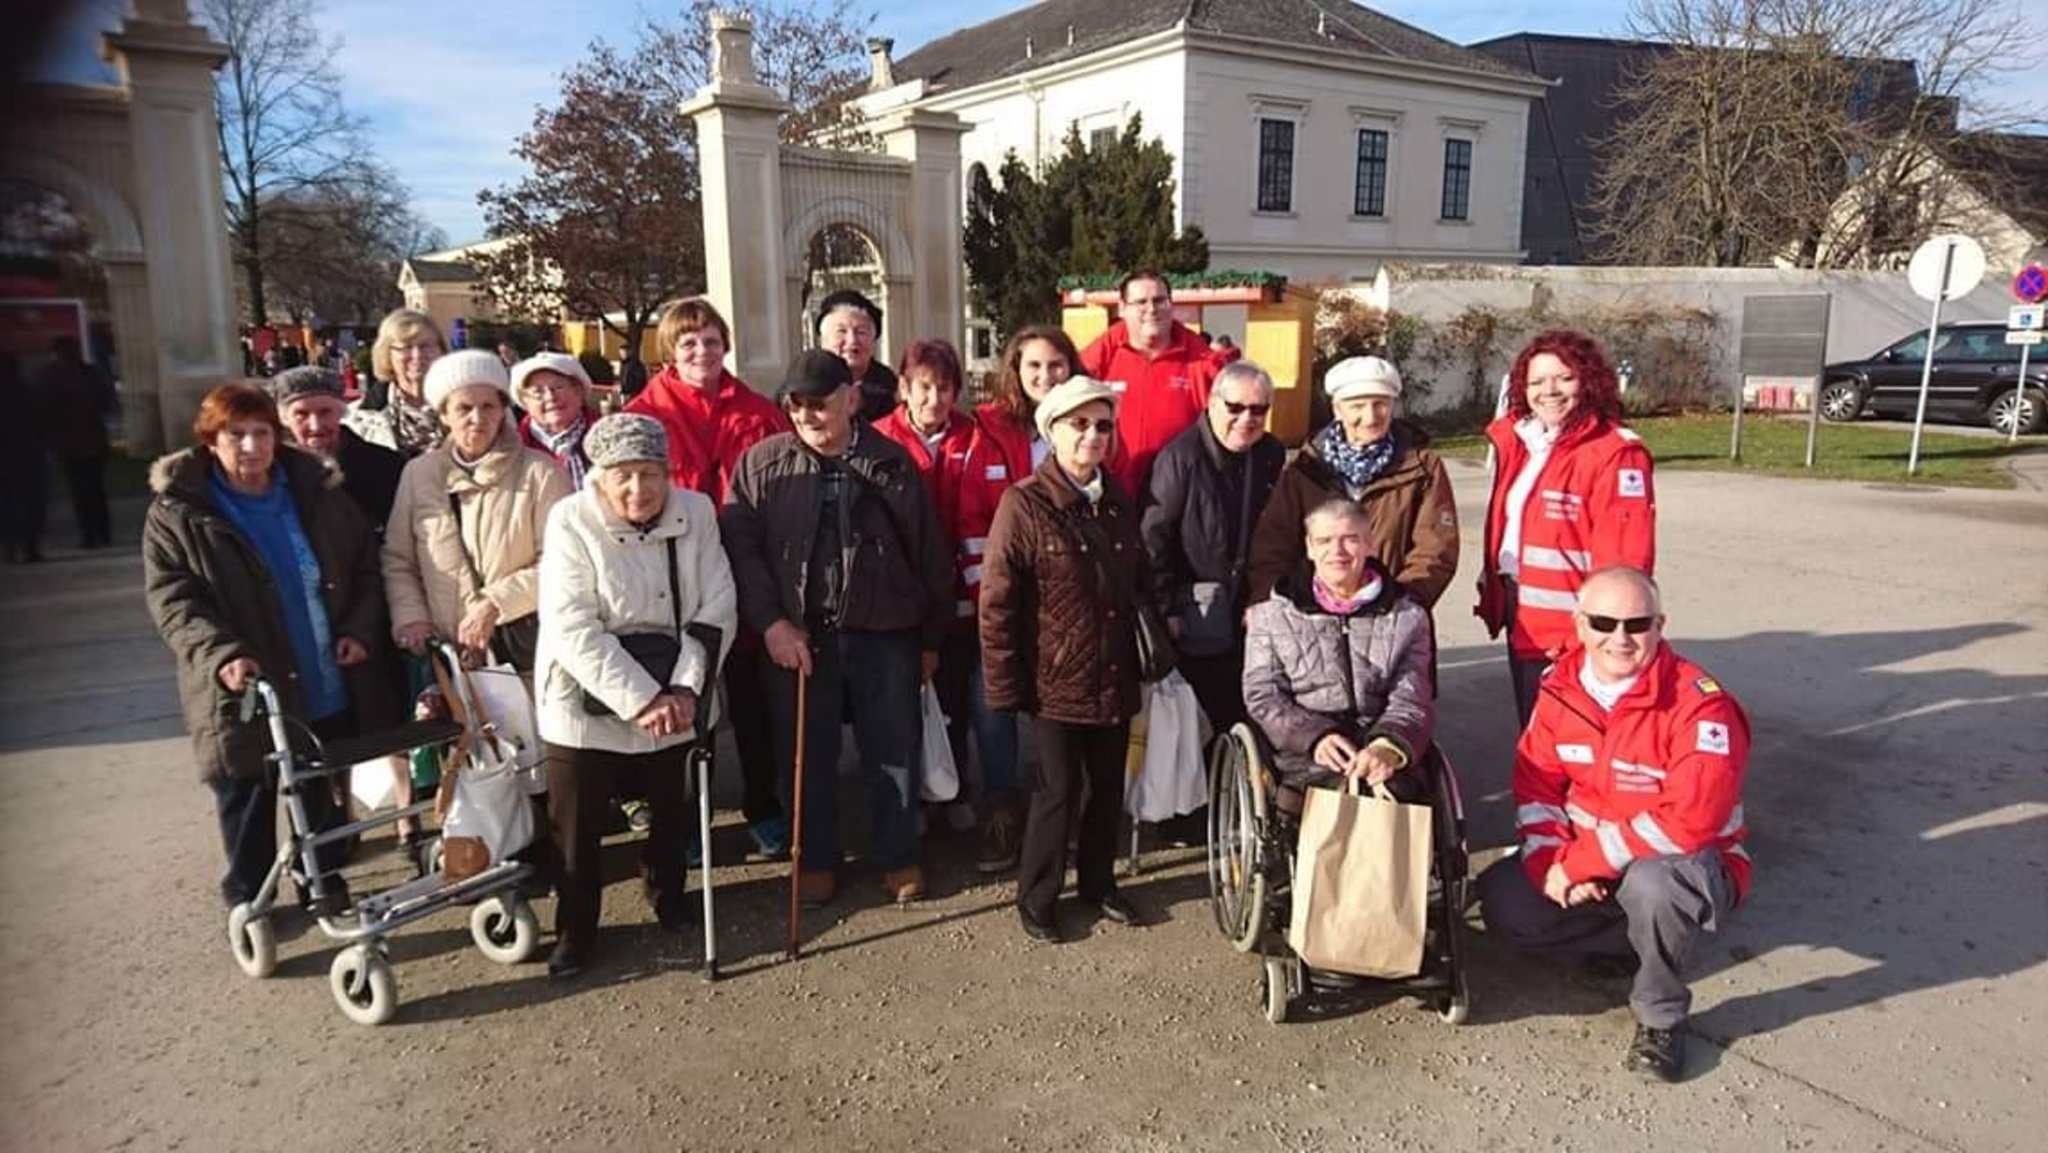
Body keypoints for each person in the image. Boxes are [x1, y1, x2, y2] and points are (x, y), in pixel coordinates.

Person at [1478, 567, 1750, 1083]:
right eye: (1603, 622)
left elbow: (1693, 821)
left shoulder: (1699, 703)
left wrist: (1583, 861)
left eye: (1637, 623)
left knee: (1653, 887)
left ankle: (1661, 1015)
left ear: (1660, 624)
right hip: (1595, 858)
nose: (1620, 638)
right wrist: (1548, 865)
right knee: (1504, 904)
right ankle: (1630, 939)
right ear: (1579, 625)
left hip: (1682, 864)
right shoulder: (1559, 690)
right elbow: (1537, 790)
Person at [142, 384, 397, 916]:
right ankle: (249, 900)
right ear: (211, 441)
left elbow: (365, 567)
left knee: (319, 790)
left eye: (262, 433)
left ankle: (322, 884)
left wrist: (357, 628)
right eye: (236, 435)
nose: (251, 446)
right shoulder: (179, 512)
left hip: (321, 670)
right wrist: (221, 654)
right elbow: (174, 601)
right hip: (244, 685)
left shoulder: (317, 491)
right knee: (249, 797)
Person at [720, 350, 953, 907]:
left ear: (850, 399)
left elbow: (929, 555)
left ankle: (898, 856)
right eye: (795, 406)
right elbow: (742, 554)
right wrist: (772, 624)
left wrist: (929, 639)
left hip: (885, 631)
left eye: (819, 405)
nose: (807, 417)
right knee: (804, 754)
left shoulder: (893, 462)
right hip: (799, 638)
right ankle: (816, 857)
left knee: (894, 749)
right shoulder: (758, 465)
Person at [533, 414, 737, 979]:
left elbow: (717, 603)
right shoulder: (570, 520)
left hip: (679, 689)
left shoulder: (695, 512)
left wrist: (683, 688)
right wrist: (645, 698)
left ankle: (668, 897)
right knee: (576, 825)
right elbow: (571, 626)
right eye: (622, 476)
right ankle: (575, 929)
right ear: (598, 478)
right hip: (584, 700)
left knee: (670, 808)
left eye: (650, 474)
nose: (638, 489)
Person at [981, 376, 1151, 943]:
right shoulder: (1023, 503)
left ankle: (1099, 885)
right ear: (1051, 431)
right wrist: (1005, 686)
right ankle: (1038, 896)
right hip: (1055, 679)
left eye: (1103, 424)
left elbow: (1140, 581)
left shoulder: (1118, 498)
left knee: (1108, 789)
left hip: (1114, 673)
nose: (1092, 435)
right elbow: (997, 600)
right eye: (1079, 423)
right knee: (1057, 792)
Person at [627, 298, 792, 857]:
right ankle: (689, 817)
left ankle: (764, 806)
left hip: (745, 574)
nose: (702, 352)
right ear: (670, 351)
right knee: (684, 702)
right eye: (689, 343)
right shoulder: (642, 415)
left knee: (752, 706)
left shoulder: (759, 412)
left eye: (712, 341)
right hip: (670, 577)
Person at [871, 338, 1017, 857]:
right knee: (913, 705)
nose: (935, 399)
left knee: (979, 703)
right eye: (924, 388)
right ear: (904, 390)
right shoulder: (876, 441)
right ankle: (922, 801)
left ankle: (993, 804)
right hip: (903, 604)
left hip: (973, 601)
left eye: (945, 388)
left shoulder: (980, 439)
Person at [1475, 330, 1656, 726]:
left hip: (1574, 633)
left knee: (1571, 745)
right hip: (1521, 616)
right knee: (1537, 738)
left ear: (1588, 381)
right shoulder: (1525, 443)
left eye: (1564, 378)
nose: (1549, 391)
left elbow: (1626, 561)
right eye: (1537, 381)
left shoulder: (1615, 453)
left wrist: (1605, 633)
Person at [267, 366, 414, 839]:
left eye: (325, 412)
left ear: (341, 410)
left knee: (387, 715)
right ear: (283, 417)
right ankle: (341, 819)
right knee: (328, 724)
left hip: (375, 602)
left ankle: (408, 817)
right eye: (302, 414)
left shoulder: (380, 465)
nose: (315, 426)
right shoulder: (275, 474)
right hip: (313, 613)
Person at [382, 350, 572, 673]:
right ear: (444, 414)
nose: (477, 418)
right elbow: (399, 559)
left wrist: (496, 603)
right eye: (464, 408)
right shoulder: (419, 474)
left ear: (502, 410)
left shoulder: (541, 472)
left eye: (488, 406)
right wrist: (412, 618)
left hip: (524, 651)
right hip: (447, 655)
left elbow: (563, 562)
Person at [1241, 499, 1434, 804]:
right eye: (1325, 541)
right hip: (1303, 750)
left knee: (1401, 796)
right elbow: (1263, 695)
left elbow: (1413, 695)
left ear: (1370, 545)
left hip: (1379, 735)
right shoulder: (1270, 615)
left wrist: (1387, 745)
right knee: (1302, 804)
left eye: (1350, 539)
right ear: (1309, 548)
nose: (1338, 551)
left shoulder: (1408, 617)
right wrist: (1315, 737)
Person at [1141, 359, 1286, 735]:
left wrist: (1264, 594)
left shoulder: (1270, 453)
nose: (1246, 419)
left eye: (1258, 409)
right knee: (1202, 717)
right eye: (1235, 407)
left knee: (1248, 710)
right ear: (1212, 403)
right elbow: (1154, 539)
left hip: (1251, 608)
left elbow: (1277, 534)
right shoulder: (1180, 458)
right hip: (1195, 612)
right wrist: (1165, 607)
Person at [1248, 356, 1458, 613]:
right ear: (1337, 409)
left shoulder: (1422, 468)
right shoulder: (1304, 470)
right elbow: (1273, 546)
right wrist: (1270, 606)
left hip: (1392, 617)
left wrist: (1399, 604)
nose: (1370, 417)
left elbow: (1435, 550)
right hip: (1311, 618)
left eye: (1380, 404)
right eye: (1357, 406)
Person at [1079, 270, 1222, 495]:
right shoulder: (1103, 355)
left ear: (1171, 304)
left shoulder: (1200, 360)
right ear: (1123, 308)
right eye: (1141, 302)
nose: (1152, 309)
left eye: (1159, 300)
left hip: (1178, 496)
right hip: (1112, 492)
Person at [976, 325, 1079, 485]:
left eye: (1055, 365)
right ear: (1017, 369)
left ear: (1071, 368)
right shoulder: (989, 430)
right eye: (1034, 365)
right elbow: (973, 502)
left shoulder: (1097, 424)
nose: (1045, 376)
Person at [40, 337, 115, 549]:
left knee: (80, 491)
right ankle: (102, 532)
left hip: (69, 442)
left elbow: (45, 409)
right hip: (92, 440)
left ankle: (89, 534)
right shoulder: (90, 373)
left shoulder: (51, 376)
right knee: (95, 488)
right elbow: (105, 402)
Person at [346, 309, 448, 458]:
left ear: (441, 351)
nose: (417, 355)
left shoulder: (465, 406)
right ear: (387, 355)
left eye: (426, 346)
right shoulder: (358, 418)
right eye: (406, 347)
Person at [512, 352, 601, 489]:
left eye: (558, 387)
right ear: (525, 402)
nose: (550, 397)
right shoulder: (513, 450)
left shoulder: (611, 437)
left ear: (579, 390)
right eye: (538, 392)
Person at [815, 289, 899, 423]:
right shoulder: (807, 381)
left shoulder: (890, 388)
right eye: (841, 331)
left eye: (861, 332)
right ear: (823, 340)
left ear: (874, 340)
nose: (852, 340)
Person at [0, 351, 50, 563]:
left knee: (8, 505)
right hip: (28, 456)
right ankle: (29, 547)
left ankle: (10, 548)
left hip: (10, 457)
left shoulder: (26, 391)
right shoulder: (27, 390)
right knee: (30, 503)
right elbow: (41, 421)